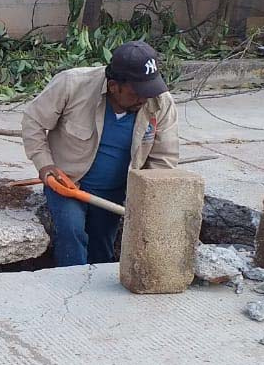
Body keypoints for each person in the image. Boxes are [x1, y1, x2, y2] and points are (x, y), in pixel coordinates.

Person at [20, 41, 179, 267]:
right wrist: (44, 164)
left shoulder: (160, 102)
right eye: (137, 93)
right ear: (114, 86)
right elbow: (33, 121)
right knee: (72, 232)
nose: (145, 99)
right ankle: (71, 284)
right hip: (67, 185)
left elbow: (164, 159)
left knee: (102, 246)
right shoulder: (72, 84)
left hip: (114, 192)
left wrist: (151, 201)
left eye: (149, 90)